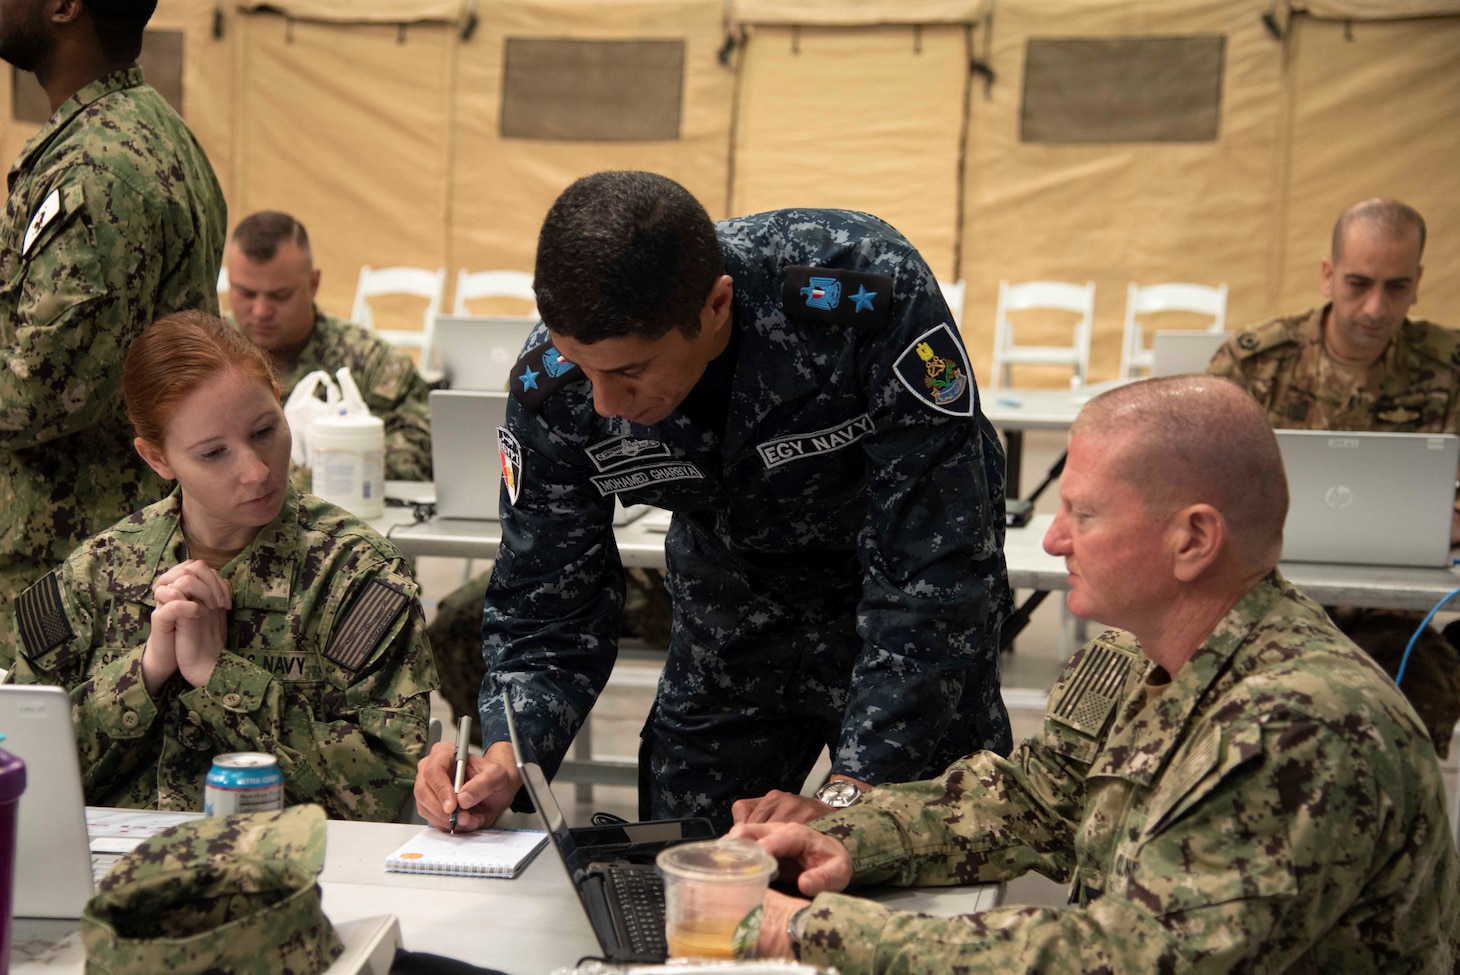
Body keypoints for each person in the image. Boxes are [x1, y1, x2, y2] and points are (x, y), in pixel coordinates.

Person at [732, 376, 1459, 973]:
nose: (1053, 536)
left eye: (1083, 511)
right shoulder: (1139, 650)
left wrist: (806, 932)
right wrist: (856, 839)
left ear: (1194, 539)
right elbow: (1038, 801)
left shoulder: (1304, 724)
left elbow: (1130, 960)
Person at [416, 169, 1013, 833]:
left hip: (901, 614)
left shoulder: (864, 295)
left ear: (717, 306)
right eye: (582, 368)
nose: (607, 403)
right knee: (691, 871)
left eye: (629, 371)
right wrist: (507, 752)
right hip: (733, 609)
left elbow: (935, 565)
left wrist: (852, 798)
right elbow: (545, 602)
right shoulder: (555, 387)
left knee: (918, 865)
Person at [7, 311, 437, 821]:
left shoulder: (354, 577)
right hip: (111, 880)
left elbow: (389, 788)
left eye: (264, 430)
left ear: (280, 402)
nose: (256, 471)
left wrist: (220, 677)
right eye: (213, 453)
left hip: (294, 875)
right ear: (157, 459)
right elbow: (19, 772)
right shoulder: (96, 576)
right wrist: (143, 674)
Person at [0, 0, 227, 663]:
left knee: (48, 764)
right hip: (90, 556)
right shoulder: (131, 131)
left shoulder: (100, 168)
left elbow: (40, 391)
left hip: (74, 571)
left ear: (65, 6)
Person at [1208, 198, 1460, 756]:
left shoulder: (1448, 370)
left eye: (1396, 287)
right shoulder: (1255, 365)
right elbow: (1198, 481)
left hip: (1392, 624)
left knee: (1409, 716)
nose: (1375, 306)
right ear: (1327, 275)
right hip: (1264, 607)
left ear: (1418, 283)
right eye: (1358, 283)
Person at [225, 210, 433, 483]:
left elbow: (420, 454)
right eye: (246, 293)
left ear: (313, 283)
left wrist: (314, 471)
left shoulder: (371, 362)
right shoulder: (207, 354)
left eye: (280, 295)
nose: (261, 310)